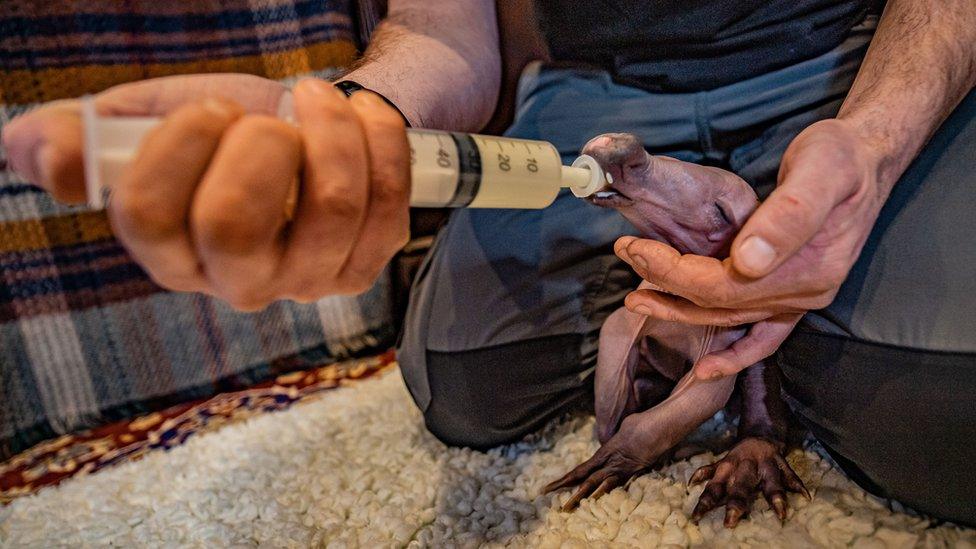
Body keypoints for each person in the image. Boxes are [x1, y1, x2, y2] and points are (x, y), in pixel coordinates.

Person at [4, 0, 975, 526]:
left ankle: (764, 340)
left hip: (861, 70)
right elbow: (437, 34)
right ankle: (768, 329)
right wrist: (357, 124)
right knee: (463, 388)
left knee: (948, 427)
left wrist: (877, 145)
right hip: (601, 110)